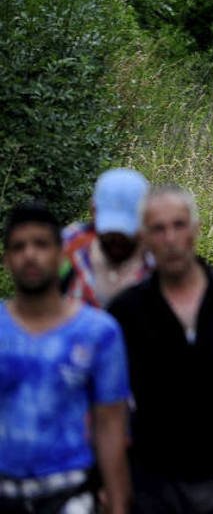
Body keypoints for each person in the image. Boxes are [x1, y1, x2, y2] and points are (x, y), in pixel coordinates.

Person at [109, 185, 213, 514]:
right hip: (157, 485)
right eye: (158, 228)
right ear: (143, 238)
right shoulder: (126, 312)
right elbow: (109, 409)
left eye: (179, 225)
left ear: (195, 230)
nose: (170, 239)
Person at [0, 201, 131, 514]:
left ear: (61, 254)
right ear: (6, 259)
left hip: (71, 491)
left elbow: (111, 425)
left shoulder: (98, 332)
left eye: (41, 244)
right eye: (19, 247)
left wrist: (117, 501)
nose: (30, 254)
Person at [61, 167, 152, 308]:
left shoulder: (158, 262)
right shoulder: (69, 246)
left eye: (126, 231)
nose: (117, 239)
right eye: (109, 230)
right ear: (93, 211)